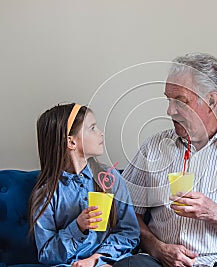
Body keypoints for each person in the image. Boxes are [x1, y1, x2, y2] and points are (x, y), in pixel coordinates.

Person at [114, 53, 217, 267]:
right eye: (168, 99)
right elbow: (127, 215)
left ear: (211, 101)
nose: (170, 110)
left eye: (181, 101)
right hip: (162, 261)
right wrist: (158, 249)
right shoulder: (154, 147)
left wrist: (214, 213)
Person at [28, 103, 140, 267]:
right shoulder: (46, 193)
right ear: (71, 142)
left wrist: (97, 259)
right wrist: (78, 227)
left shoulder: (110, 178)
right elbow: (46, 253)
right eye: (92, 128)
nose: (100, 133)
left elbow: (129, 233)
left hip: (109, 262)